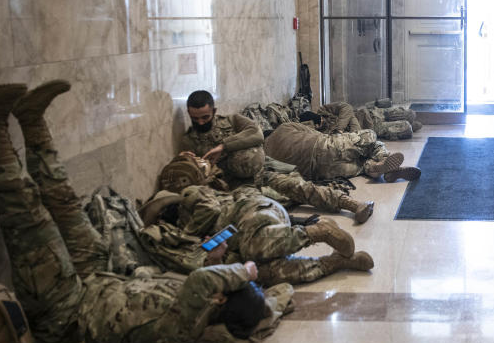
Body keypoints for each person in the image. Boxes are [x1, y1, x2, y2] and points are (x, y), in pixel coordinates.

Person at [0, 81, 275, 343]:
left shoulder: (186, 330)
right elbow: (262, 306)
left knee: (28, 221)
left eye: (225, 291)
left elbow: (202, 282)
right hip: (103, 277)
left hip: (67, 315)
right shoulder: (208, 314)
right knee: (66, 205)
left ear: (220, 301)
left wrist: (244, 272)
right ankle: (32, 122)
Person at [180, 90, 375, 223]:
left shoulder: (232, 121)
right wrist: (189, 163)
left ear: (213, 111)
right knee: (270, 208)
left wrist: (224, 146)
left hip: (261, 171)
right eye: (195, 119)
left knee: (299, 187)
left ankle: (352, 204)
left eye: (205, 117)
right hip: (236, 186)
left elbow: (255, 134)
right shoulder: (190, 141)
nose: (200, 122)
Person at [143, 182, 375, 287]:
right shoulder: (182, 237)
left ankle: (319, 231)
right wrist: (212, 254)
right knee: (265, 273)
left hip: (252, 213)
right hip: (248, 234)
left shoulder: (189, 196)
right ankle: (336, 263)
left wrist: (191, 233)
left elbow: (211, 209)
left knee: (252, 246)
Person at [264, 118, 421, 183]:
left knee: (360, 164)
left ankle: (375, 168)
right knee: (371, 137)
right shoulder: (283, 128)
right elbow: (316, 134)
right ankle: (384, 160)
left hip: (318, 172)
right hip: (323, 147)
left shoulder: (267, 159)